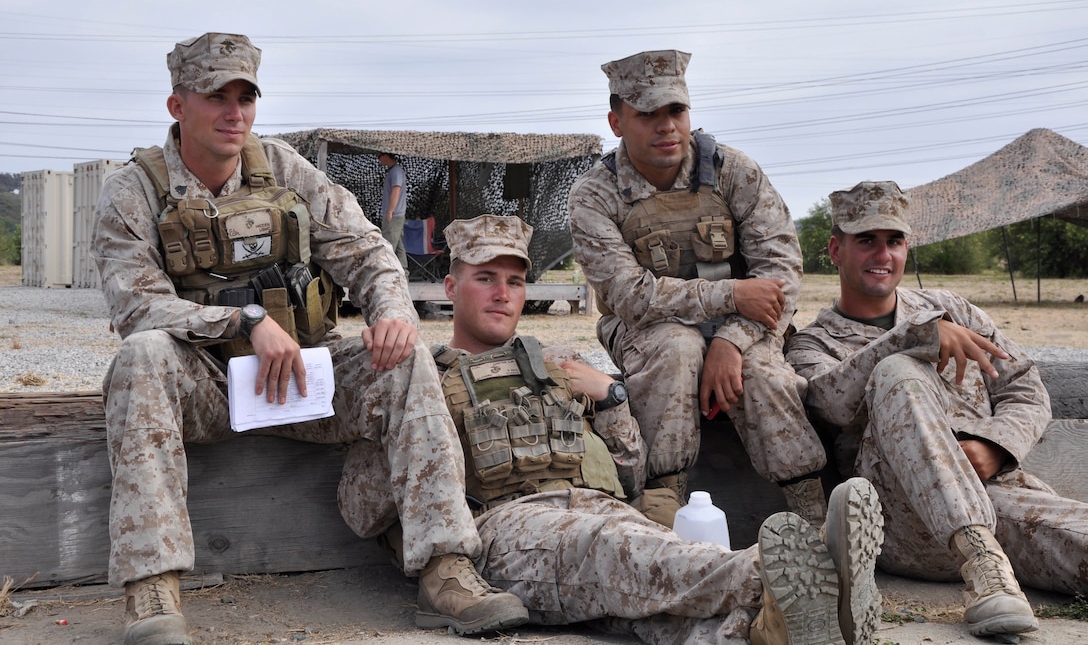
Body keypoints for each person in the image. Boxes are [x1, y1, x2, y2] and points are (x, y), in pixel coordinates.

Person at [91, 32, 528, 645]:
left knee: (408, 361)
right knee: (140, 358)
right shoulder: (132, 191)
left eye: (245, 96)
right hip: (207, 382)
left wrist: (392, 312)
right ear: (177, 106)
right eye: (216, 96)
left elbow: (367, 249)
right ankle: (152, 590)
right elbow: (137, 305)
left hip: (302, 377)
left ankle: (445, 569)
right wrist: (242, 322)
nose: (233, 112)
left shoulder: (285, 168)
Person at [348, 213, 886, 645]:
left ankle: (773, 629)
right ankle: (796, 570)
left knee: (655, 615)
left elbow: (629, 476)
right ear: (449, 286)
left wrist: (610, 398)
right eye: (484, 278)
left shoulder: (557, 366)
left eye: (514, 281)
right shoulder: (421, 384)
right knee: (611, 550)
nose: (502, 294)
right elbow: (361, 506)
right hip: (503, 533)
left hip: (601, 510)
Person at [785, 180, 1088, 638]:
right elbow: (832, 403)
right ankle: (981, 564)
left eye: (894, 241)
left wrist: (995, 446)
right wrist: (915, 336)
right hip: (901, 524)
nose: (882, 255)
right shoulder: (814, 343)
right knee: (896, 371)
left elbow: (1024, 385)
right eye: (866, 240)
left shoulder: (950, 308)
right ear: (835, 249)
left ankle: (991, 566)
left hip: (994, 498)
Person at [567, 50, 829, 526]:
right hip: (648, 329)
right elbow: (632, 297)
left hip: (747, 325)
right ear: (617, 121)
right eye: (647, 114)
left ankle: (812, 511)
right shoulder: (595, 195)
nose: (666, 126)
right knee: (676, 346)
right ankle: (666, 504)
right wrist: (730, 294)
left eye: (676, 111)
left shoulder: (734, 172)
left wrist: (730, 339)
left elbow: (781, 275)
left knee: (763, 374)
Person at [379, 152, 408, 270]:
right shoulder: (393, 171)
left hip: (394, 215)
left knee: (388, 247)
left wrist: (390, 211)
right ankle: (403, 274)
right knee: (399, 247)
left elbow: (396, 190)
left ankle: (387, 274)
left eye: (379, 155)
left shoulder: (396, 172)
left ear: (386, 155)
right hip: (395, 215)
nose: (378, 158)